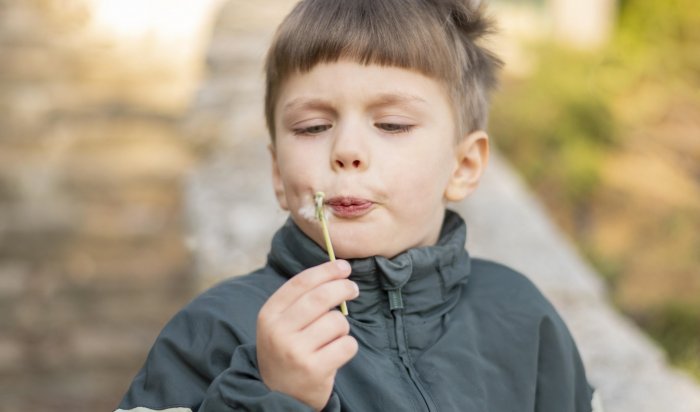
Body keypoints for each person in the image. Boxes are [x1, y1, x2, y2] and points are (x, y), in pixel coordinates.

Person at [116, 0, 603, 411]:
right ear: (277, 175)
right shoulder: (212, 330)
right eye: (312, 127)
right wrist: (271, 394)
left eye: (391, 124)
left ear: (464, 166)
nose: (346, 150)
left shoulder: (521, 316)